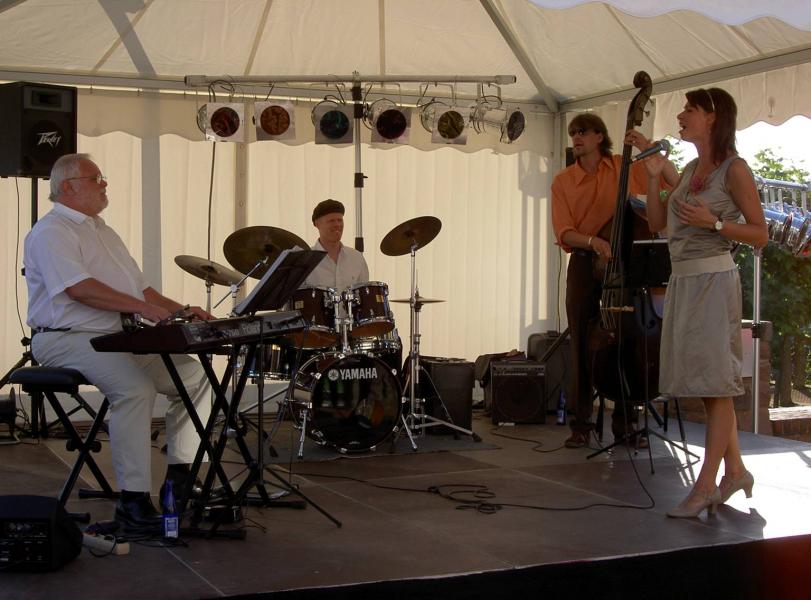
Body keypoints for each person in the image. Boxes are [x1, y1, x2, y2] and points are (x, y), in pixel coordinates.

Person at [24, 153, 214, 528]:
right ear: (68, 187)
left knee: (196, 377)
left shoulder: (103, 230)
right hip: (67, 338)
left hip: (117, 337)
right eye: (96, 178)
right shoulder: (51, 232)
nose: (105, 184)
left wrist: (182, 310)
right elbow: (80, 289)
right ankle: (133, 499)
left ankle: (180, 479)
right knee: (135, 389)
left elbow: (141, 290)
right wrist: (144, 309)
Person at [629, 88, 767, 517]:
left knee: (716, 384)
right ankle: (736, 471)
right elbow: (657, 223)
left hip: (714, 281)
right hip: (684, 281)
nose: (681, 115)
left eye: (690, 109)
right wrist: (655, 176)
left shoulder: (735, 169)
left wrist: (717, 223)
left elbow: (760, 234)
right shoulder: (690, 170)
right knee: (707, 385)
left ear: (712, 117)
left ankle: (706, 486)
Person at [551, 113, 670, 449]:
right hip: (585, 260)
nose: (576, 138)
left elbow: (665, 184)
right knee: (581, 339)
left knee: (628, 338)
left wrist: (645, 147)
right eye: (573, 133)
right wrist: (593, 241)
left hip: (625, 261)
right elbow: (564, 231)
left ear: (600, 136)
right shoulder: (563, 180)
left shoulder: (623, 165)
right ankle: (581, 423)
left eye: (583, 132)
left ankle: (626, 421)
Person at [305, 199, 369, 290]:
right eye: (331, 221)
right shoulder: (306, 260)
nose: (337, 224)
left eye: (340, 220)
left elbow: (365, 294)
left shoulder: (356, 258)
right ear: (317, 224)